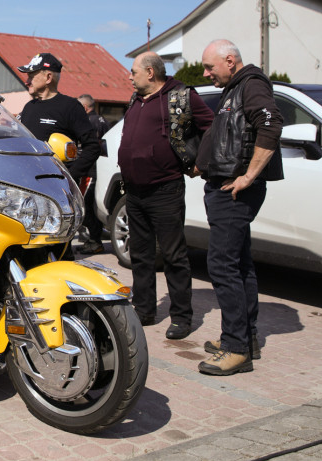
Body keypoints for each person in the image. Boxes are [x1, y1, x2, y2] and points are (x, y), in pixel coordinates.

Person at [195, 39, 283, 376]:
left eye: (209, 66)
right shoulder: (235, 88)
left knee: (221, 266)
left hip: (234, 191)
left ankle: (235, 348)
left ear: (230, 60)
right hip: (225, 186)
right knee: (240, 264)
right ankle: (246, 338)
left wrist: (248, 176)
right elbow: (228, 135)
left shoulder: (251, 84)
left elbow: (270, 125)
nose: (206, 73)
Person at [119, 52, 213, 336]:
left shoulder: (181, 96)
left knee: (173, 256)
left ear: (150, 72)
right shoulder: (136, 99)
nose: (129, 75)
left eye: (133, 71)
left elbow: (211, 126)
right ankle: (145, 310)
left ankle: (181, 318)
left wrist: (202, 161)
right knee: (141, 254)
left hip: (165, 189)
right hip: (134, 191)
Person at [16, 53, 100, 183]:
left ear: (48, 77)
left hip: (56, 188)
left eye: (31, 76)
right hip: (27, 182)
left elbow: (92, 147)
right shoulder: (29, 107)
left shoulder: (70, 106)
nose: (27, 82)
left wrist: (69, 177)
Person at [76, 94, 110, 255]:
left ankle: (95, 241)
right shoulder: (104, 120)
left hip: (90, 171)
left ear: (84, 108)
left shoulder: (88, 122)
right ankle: (94, 238)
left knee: (83, 206)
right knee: (91, 206)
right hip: (102, 169)